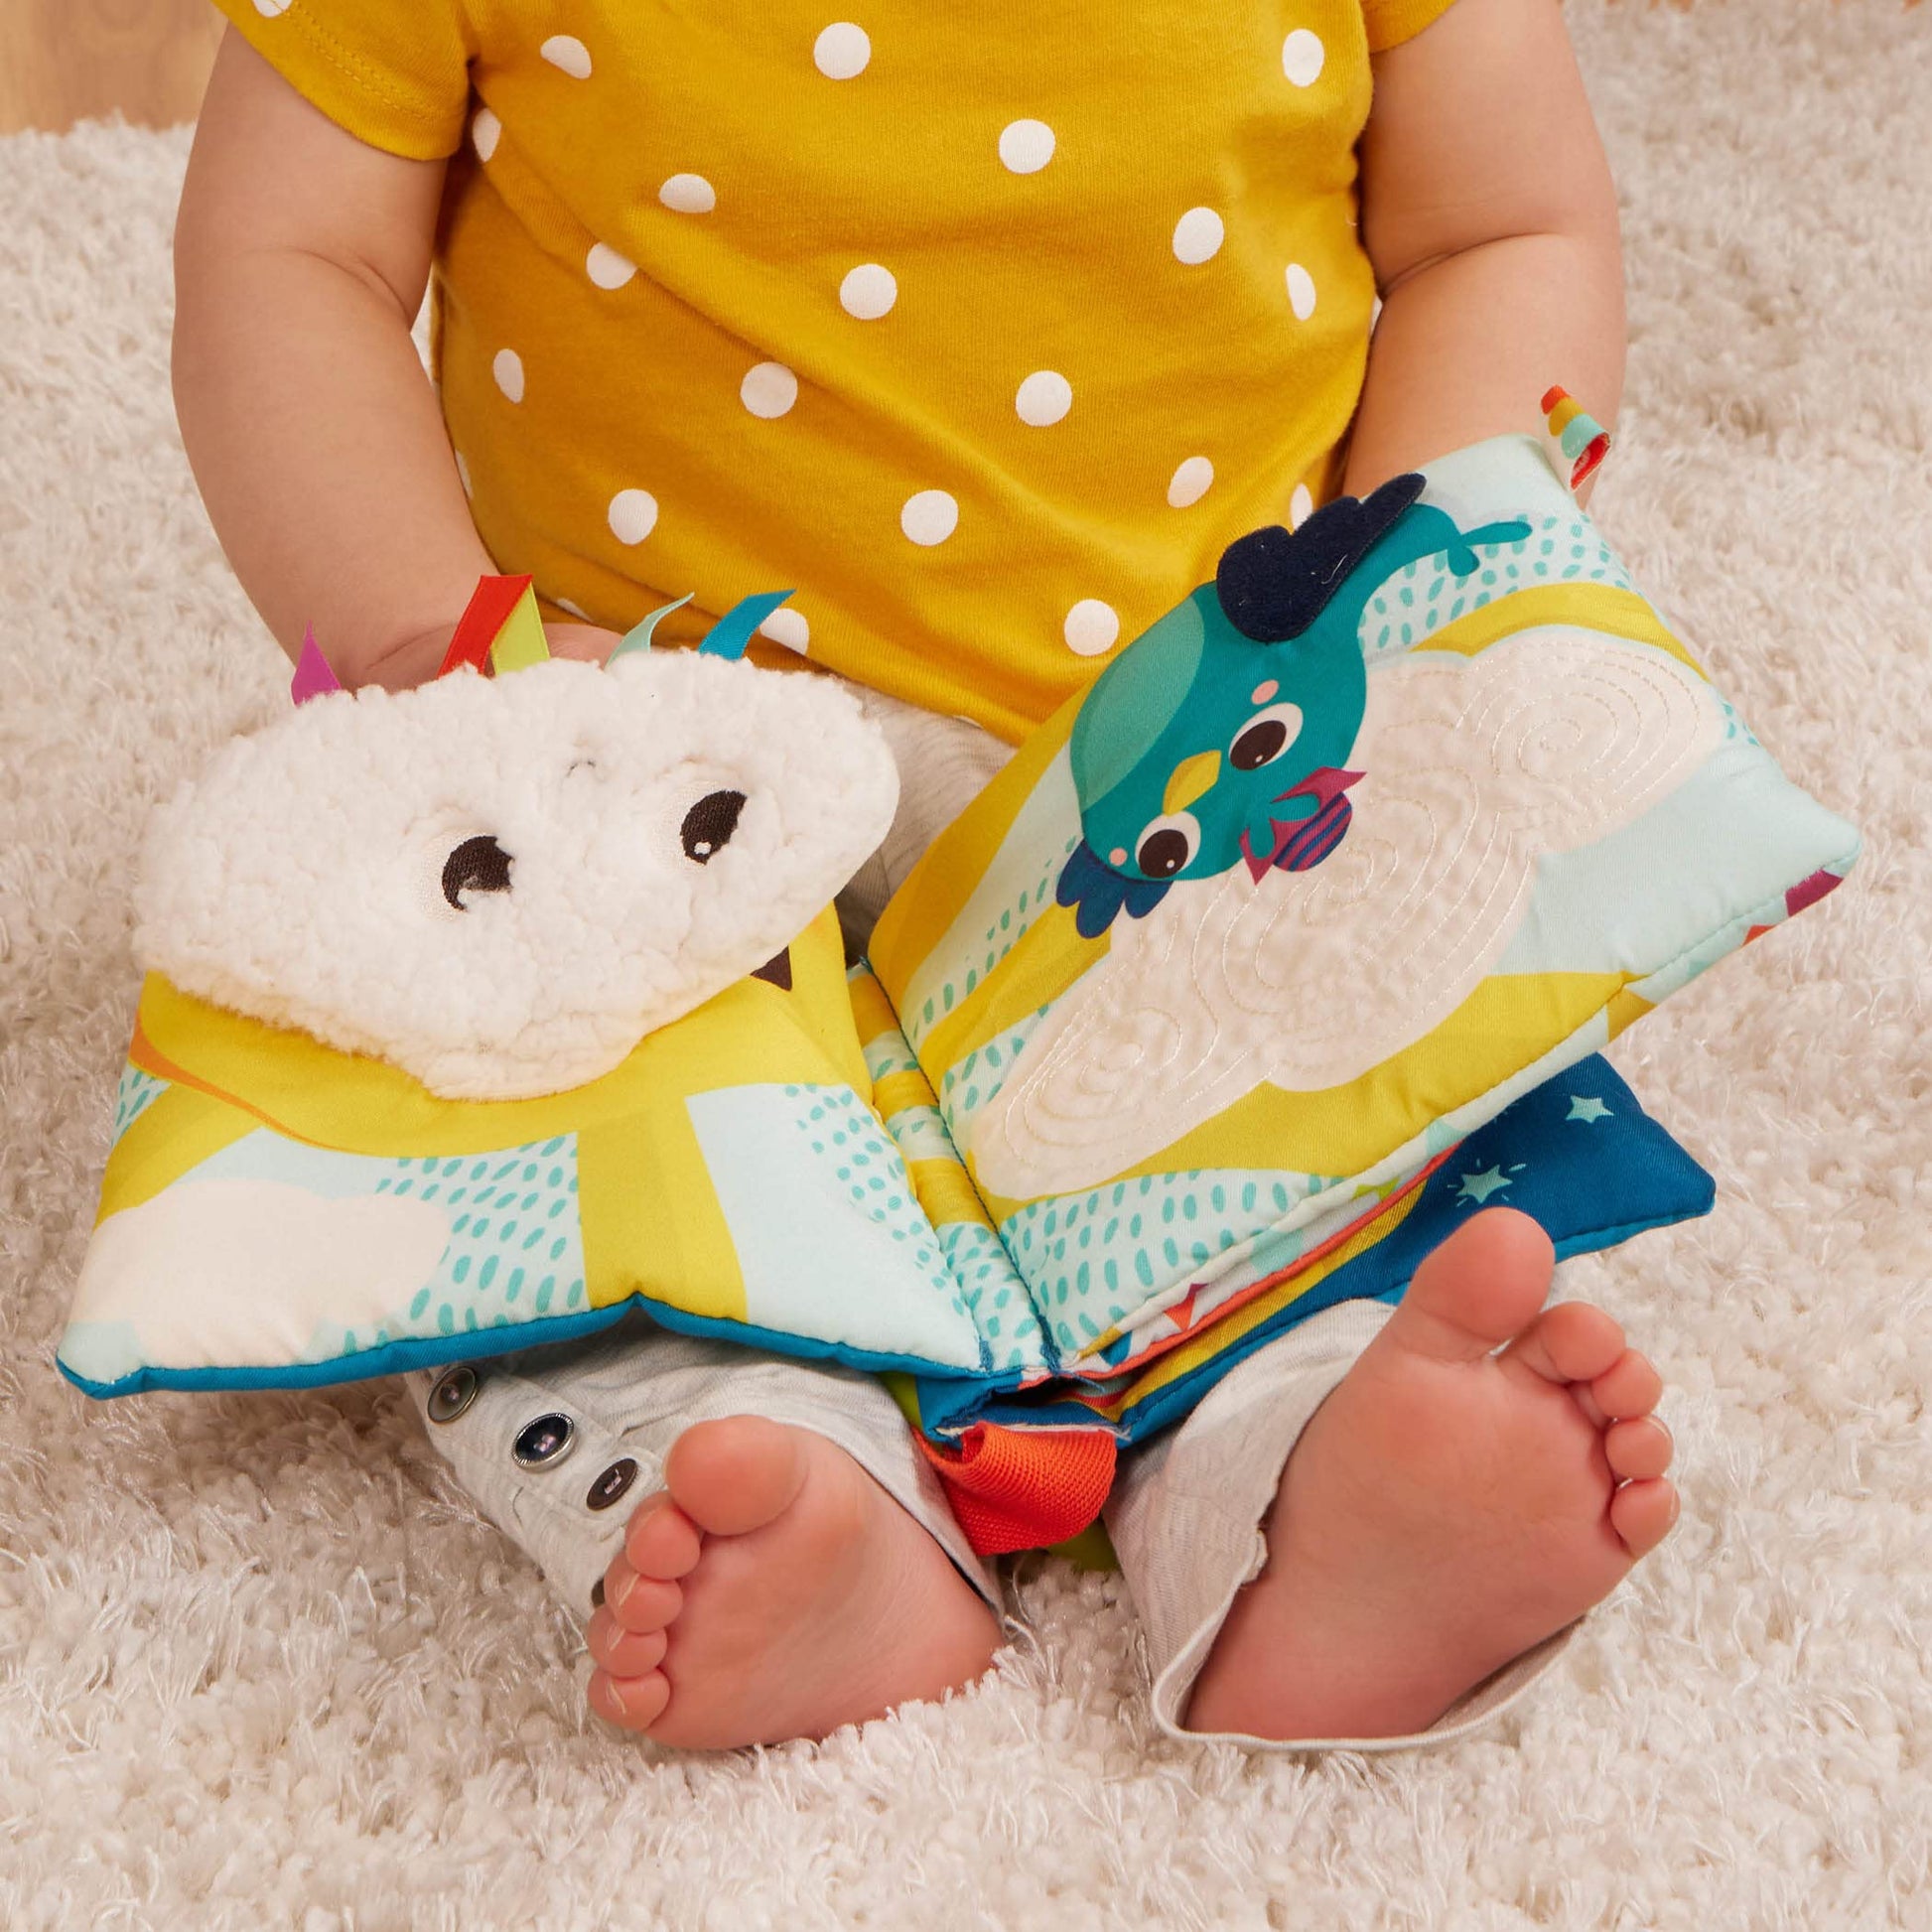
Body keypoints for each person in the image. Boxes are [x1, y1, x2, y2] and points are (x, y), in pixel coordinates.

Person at [170, 0, 1677, 1751]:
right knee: (509, 1102)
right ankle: (794, 1483)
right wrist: (429, 647)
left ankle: (1306, 1465)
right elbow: (295, 257)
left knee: (1317, 1112)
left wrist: (1408, 594)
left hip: (1189, 773)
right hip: (658, 779)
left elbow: (1494, 231)